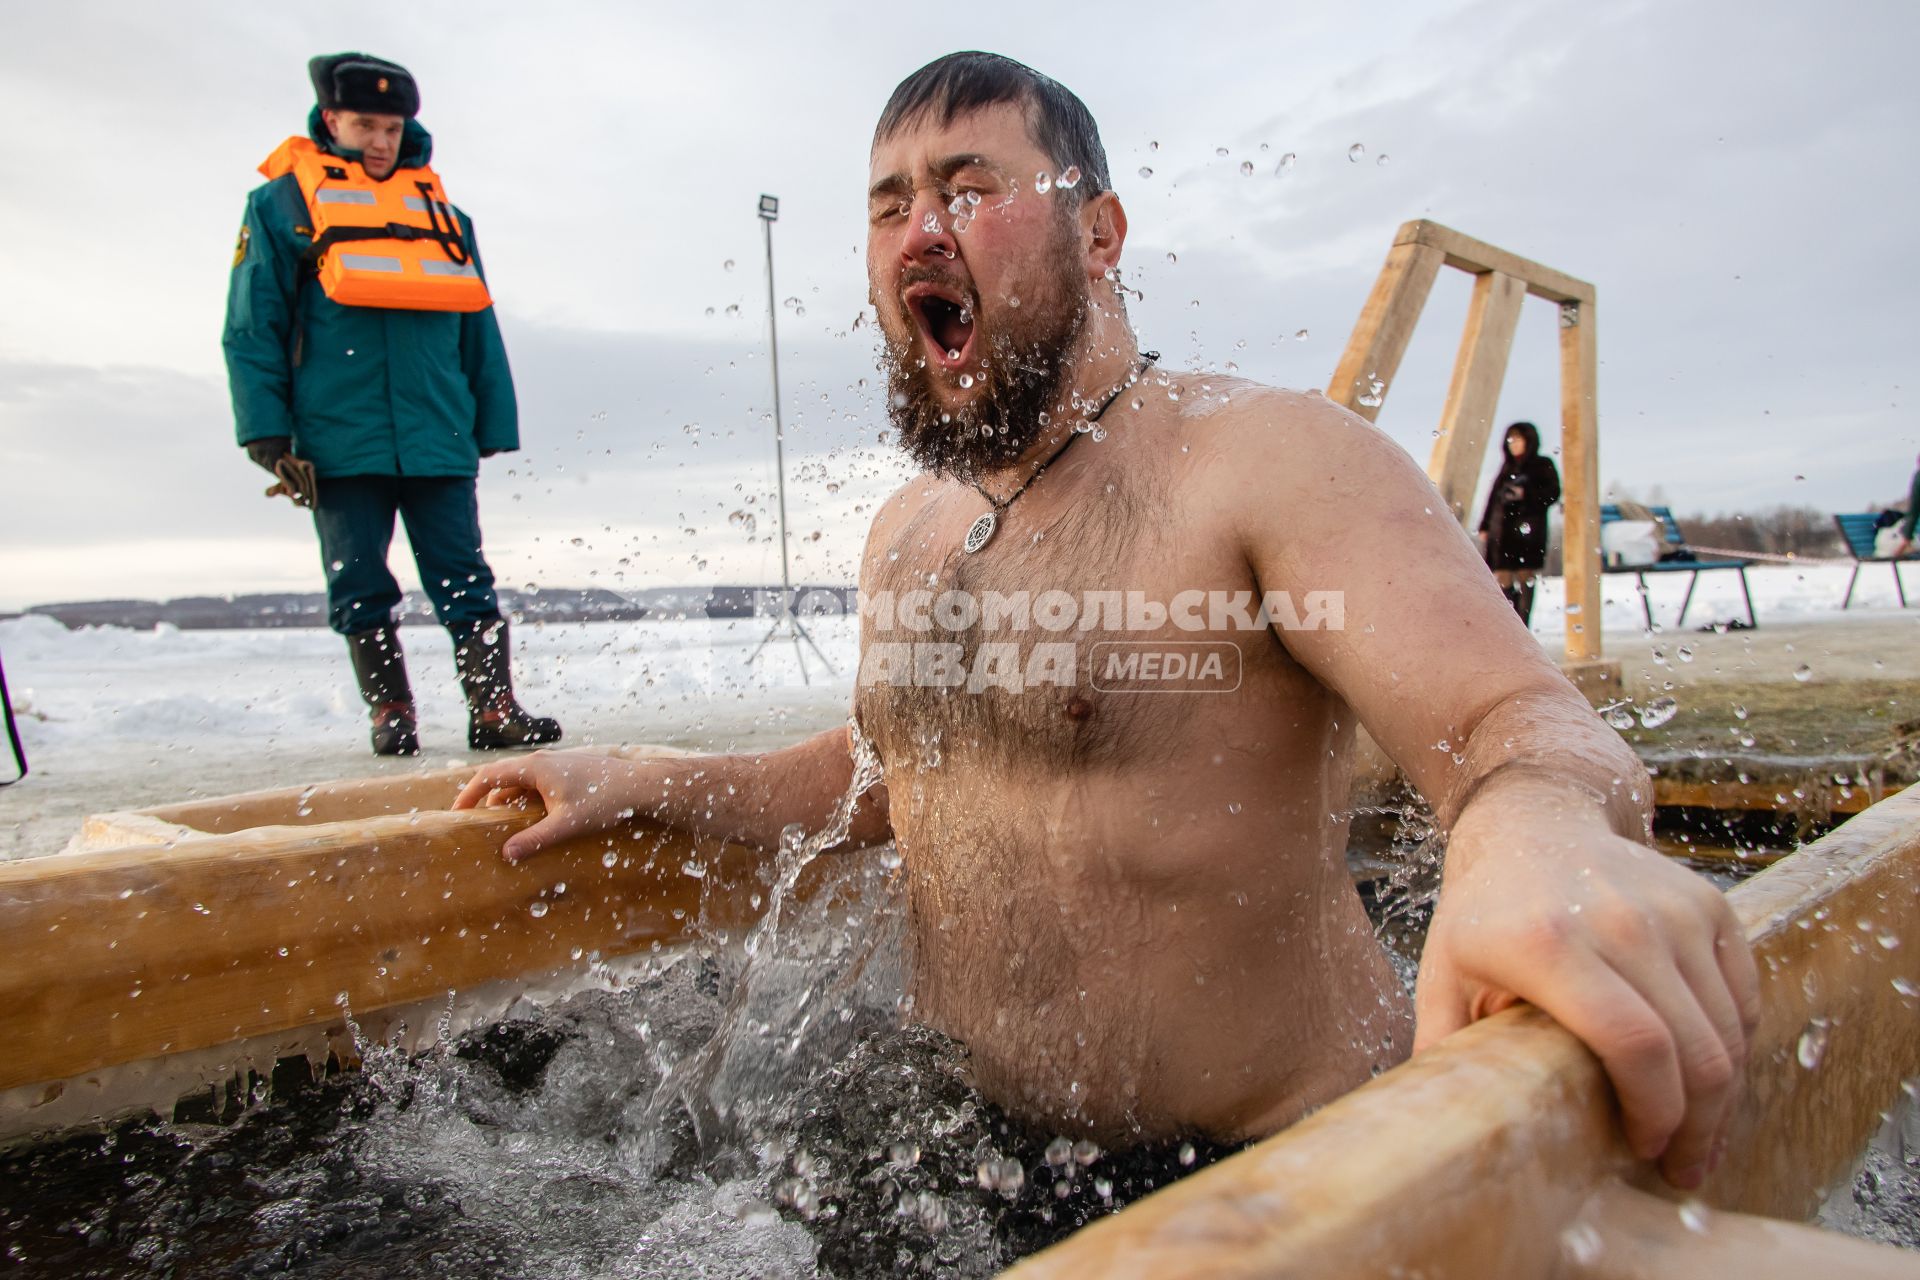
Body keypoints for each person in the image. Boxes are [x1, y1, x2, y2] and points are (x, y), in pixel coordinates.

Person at [458, 52, 1756, 1192]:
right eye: (890, 204)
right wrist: (649, 781)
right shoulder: (907, 533)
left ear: (1101, 231)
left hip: (1290, 1166)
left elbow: (1520, 725)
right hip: (973, 1155)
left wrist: (1530, 835)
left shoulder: (1269, 461)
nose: (921, 231)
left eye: (968, 190)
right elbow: (882, 782)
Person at [223, 52, 560, 756]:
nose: (381, 142)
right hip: (338, 437)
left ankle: (493, 708)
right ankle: (392, 712)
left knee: (464, 576)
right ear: (331, 120)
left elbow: (479, 327)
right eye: (366, 125)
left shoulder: (446, 216)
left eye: (393, 126)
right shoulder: (280, 207)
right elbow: (253, 325)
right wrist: (267, 432)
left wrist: (490, 421)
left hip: (438, 429)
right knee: (359, 581)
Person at [1477, 421, 1561, 624]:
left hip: (1527, 532)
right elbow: (1493, 499)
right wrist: (1485, 525)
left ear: (1529, 441)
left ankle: (1524, 622)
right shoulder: (1506, 468)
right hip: (1502, 532)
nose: (1513, 444)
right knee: (1502, 577)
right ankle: (1511, 621)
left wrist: (1526, 494)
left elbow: (1552, 493)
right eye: (1510, 440)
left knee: (1525, 576)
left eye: (1518, 440)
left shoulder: (1542, 465)